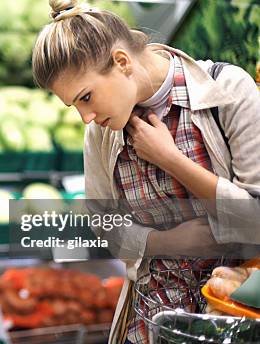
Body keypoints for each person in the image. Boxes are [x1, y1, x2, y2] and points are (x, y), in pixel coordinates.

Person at [30, 0, 260, 343]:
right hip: (146, 324)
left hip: (231, 322)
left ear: (121, 61)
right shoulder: (101, 133)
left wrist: (170, 160)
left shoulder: (227, 90)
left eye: (87, 97)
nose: (85, 117)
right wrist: (163, 242)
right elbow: (102, 221)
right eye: (75, 105)